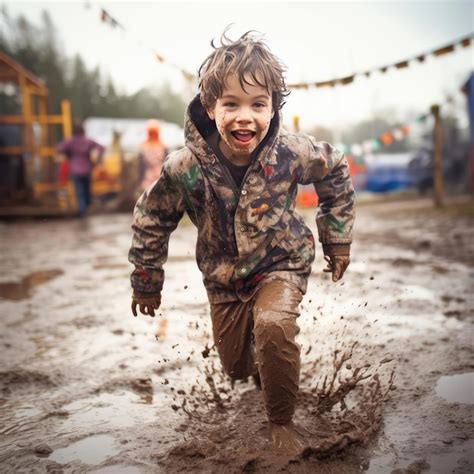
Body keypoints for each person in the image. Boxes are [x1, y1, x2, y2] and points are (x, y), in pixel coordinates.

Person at [128, 31, 355, 455]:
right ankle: (262, 368)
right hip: (224, 278)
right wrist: (146, 277)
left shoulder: (289, 152)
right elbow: (152, 217)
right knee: (235, 367)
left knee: (273, 325)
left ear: (273, 107)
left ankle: (282, 423)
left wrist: (336, 241)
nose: (244, 117)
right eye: (230, 104)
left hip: (281, 262)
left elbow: (336, 170)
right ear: (210, 107)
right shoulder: (185, 166)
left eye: (257, 104)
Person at [56, 123, 104, 216]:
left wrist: (68, 153)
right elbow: (101, 147)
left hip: (75, 170)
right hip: (87, 169)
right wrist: (98, 160)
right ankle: (86, 205)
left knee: (79, 191)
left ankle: (83, 211)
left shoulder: (70, 141)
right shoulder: (88, 141)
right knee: (86, 190)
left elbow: (59, 148)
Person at [138, 119, 167, 192]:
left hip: (146, 182)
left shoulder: (143, 147)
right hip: (160, 180)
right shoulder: (163, 147)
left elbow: (141, 168)